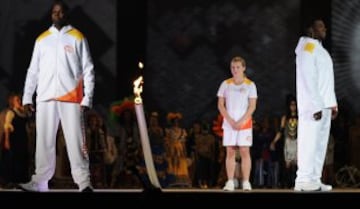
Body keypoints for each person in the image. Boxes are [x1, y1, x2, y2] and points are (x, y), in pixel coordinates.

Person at [19, 0, 95, 192]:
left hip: (71, 98)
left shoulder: (77, 37)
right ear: (51, 15)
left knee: (76, 140)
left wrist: (88, 97)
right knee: (43, 141)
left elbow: (89, 69)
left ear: (67, 15)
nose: (57, 15)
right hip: (45, 97)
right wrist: (27, 97)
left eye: (61, 12)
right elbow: (33, 71)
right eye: (54, 12)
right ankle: (40, 182)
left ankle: (84, 182)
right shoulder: (42, 39)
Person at [294, 18, 338, 191]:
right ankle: (304, 179)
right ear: (310, 29)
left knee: (320, 145)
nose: (324, 28)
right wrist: (315, 105)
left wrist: (331, 103)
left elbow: (326, 79)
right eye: (320, 26)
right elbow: (308, 78)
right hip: (313, 106)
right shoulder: (308, 47)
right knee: (309, 142)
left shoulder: (319, 49)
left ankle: (314, 178)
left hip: (324, 104)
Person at [217, 56, 257, 191]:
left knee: (245, 151)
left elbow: (252, 106)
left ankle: (246, 182)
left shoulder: (250, 85)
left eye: (238, 67)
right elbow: (221, 105)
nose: (235, 70)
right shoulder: (225, 84)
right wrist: (230, 120)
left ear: (244, 68)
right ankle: (230, 181)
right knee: (230, 152)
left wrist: (241, 121)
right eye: (233, 67)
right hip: (229, 124)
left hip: (244, 124)